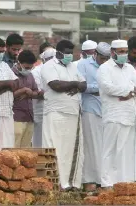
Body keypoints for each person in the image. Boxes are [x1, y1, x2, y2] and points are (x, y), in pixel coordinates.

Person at [41, 40, 87, 190]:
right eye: (67, 52)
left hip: (73, 112)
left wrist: (75, 85)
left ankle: (69, 183)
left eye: (71, 53)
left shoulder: (73, 66)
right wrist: (75, 84)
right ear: (59, 52)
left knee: (69, 150)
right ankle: (54, 184)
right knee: (54, 148)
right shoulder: (49, 66)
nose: (69, 56)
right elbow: (56, 85)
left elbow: (84, 84)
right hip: (55, 113)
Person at [97, 40, 136, 188]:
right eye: (121, 51)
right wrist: (129, 90)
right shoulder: (104, 68)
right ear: (112, 52)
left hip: (129, 114)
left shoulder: (129, 68)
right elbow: (108, 88)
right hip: (113, 114)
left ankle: (122, 182)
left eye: (125, 51)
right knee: (109, 149)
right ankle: (106, 183)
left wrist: (130, 93)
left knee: (125, 150)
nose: (124, 54)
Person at [77, 42, 111, 192]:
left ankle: (103, 181)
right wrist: (101, 88)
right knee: (91, 148)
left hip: (108, 111)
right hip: (89, 110)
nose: (104, 61)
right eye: (102, 58)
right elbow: (82, 86)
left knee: (105, 147)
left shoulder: (110, 67)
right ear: (95, 54)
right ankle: (89, 181)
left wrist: (103, 89)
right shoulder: (83, 65)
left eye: (107, 58)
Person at [12, 50, 43, 148]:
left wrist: (28, 93)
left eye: (31, 67)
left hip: (29, 116)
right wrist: (23, 90)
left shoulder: (30, 75)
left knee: (26, 150)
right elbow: (7, 95)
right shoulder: (10, 74)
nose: (28, 69)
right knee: (14, 148)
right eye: (26, 67)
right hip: (15, 116)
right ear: (19, 63)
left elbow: (35, 92)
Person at [31, 43, 56, 147]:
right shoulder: (36, 71)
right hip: (40, 112)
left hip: (55, 111)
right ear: (42, 55)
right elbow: (38, 92)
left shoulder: (57, 69)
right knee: (39, 143)